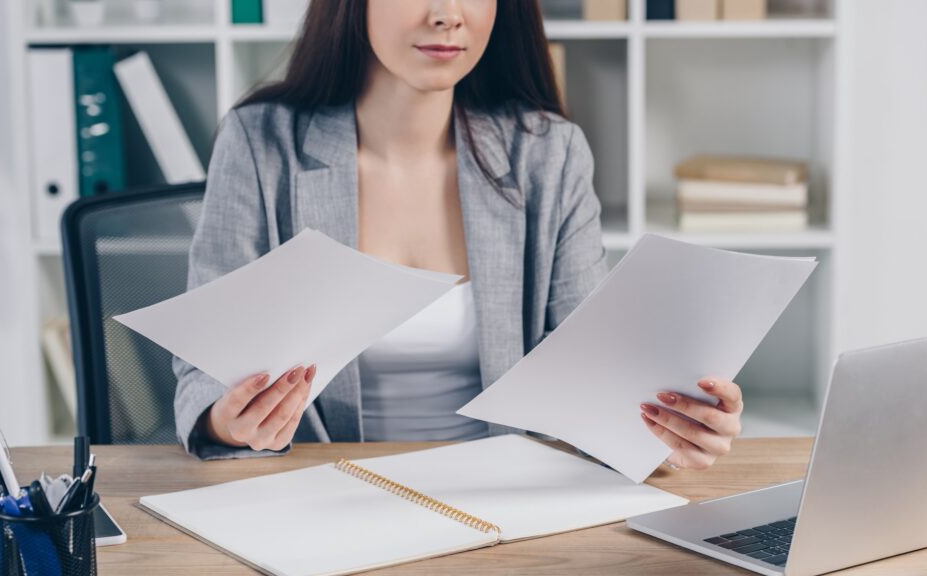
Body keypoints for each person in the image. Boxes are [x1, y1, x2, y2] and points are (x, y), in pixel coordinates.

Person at [173, 0, 743, 471]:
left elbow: (598, 377)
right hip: (320, 497)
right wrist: (230, 419)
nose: (447, 14)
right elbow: (204, 371)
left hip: (498, 505)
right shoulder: (259, 143)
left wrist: (669, 432)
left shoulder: (548, 153)